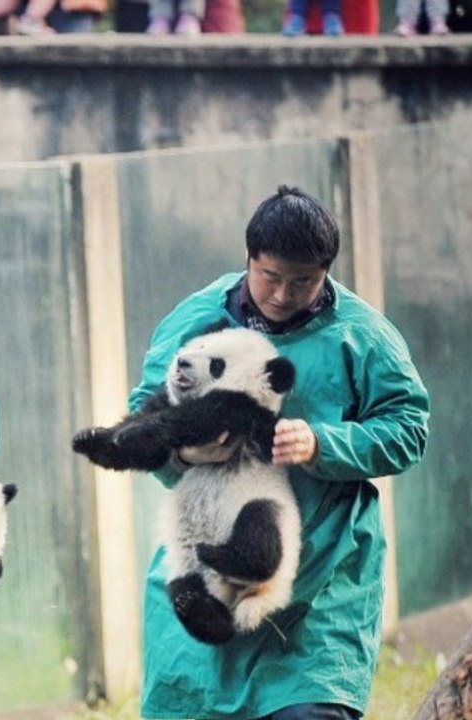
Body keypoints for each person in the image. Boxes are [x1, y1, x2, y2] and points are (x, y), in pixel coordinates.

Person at [130, 186, 430, 720]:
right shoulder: (195, 321)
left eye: (303, 282)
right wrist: (187, 452)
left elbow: (408, 427)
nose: (283, 295)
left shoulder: (362, 337)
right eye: (270, 276)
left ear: (326, 272)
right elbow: (143, 417)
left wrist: (324, 443)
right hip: (202, 573)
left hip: (318, 587)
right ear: (249, 258)